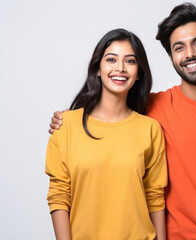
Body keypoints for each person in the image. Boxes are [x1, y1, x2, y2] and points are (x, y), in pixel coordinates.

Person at [49, 3, 196, 240]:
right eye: (179, 47)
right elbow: (109, 113)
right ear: (172, 57)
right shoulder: (152, 109)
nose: (190, 53)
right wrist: (67, 119)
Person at [45, 28, 167, 240]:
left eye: (130, 61)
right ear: (98, 69)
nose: (120, 68)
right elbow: (59, 195)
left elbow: (154, 197)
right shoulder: (66, 125)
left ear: (138, 73)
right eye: (111, 59)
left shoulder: (150, 129)